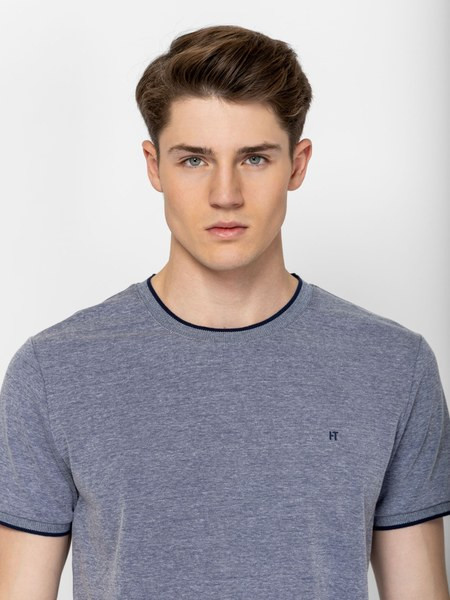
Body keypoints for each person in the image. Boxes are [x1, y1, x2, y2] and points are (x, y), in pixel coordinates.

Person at [0, 24, 449, 600]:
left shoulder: (393, 366)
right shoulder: (54, 371)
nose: (226, 194)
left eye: (255, 158)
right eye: (194, 160)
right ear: (154, 166)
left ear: (297, 165)